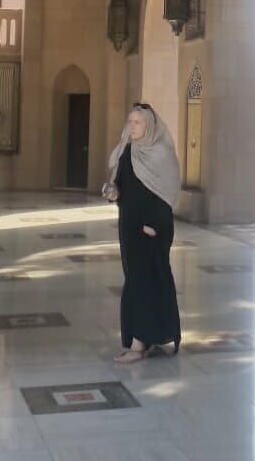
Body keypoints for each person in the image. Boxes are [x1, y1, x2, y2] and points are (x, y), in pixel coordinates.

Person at [103, 102, 181, 364]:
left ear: (149, 126)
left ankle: (138, 345)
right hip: (130, 227)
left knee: (145, 282)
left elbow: (168, 195)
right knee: (137, 280)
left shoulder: (161, 154)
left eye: (137, 122)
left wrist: (154, 224)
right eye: (130, 122)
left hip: (151, 230)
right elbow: (121, 186)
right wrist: (113, 192)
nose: (132, 126)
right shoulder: (127, 152)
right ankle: (148, 335)